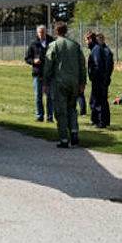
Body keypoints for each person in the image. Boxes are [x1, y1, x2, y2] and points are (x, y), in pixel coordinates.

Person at [45, 19, 86, 147]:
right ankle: (74, 132)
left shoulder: (54, 45)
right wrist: (82, 82)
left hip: (60, 83)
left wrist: (45, 82)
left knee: (61, 111)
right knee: (72, 108)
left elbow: (48, 64)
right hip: (74, 83)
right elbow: (82, 65)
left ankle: (64, 139)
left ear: (56, 31)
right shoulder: (75, 45)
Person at [87, 30, 116, 128]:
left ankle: (100, 122)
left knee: (98, 100)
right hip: (102, 79)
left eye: (87, 40)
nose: (86, 43)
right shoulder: (100, 49)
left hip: (99, 79)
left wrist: (95, 77)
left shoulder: (97, 49)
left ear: (91, 39)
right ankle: (100, 120)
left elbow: (98, 65)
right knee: (100, 100)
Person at [25, 24, 53, 121]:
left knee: (50, 96)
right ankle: (39, 116)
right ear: (37, 33)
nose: (41, 34)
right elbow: (27, 58)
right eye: (39, 32)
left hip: (49, 74)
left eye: (43, 32)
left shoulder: (52, 42)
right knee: (38, 96)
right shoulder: (34, 44)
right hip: (38, 73)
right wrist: (34, 61)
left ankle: (50, 117)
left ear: (46, 32)